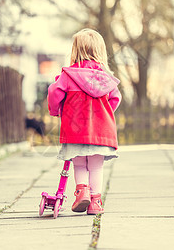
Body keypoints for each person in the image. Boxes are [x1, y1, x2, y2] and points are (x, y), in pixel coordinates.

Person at [47, 28, 122, 215]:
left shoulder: (68, 75)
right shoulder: (106, 78)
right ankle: (95, 202)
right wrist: (103, 115)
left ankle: (82, 192)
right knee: (96, 167)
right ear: (100, 51)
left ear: (75, 50)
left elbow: (54, 93)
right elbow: (115, 99)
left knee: (80, 164)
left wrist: (56, 110)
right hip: (100, 132)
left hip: (75, 130)